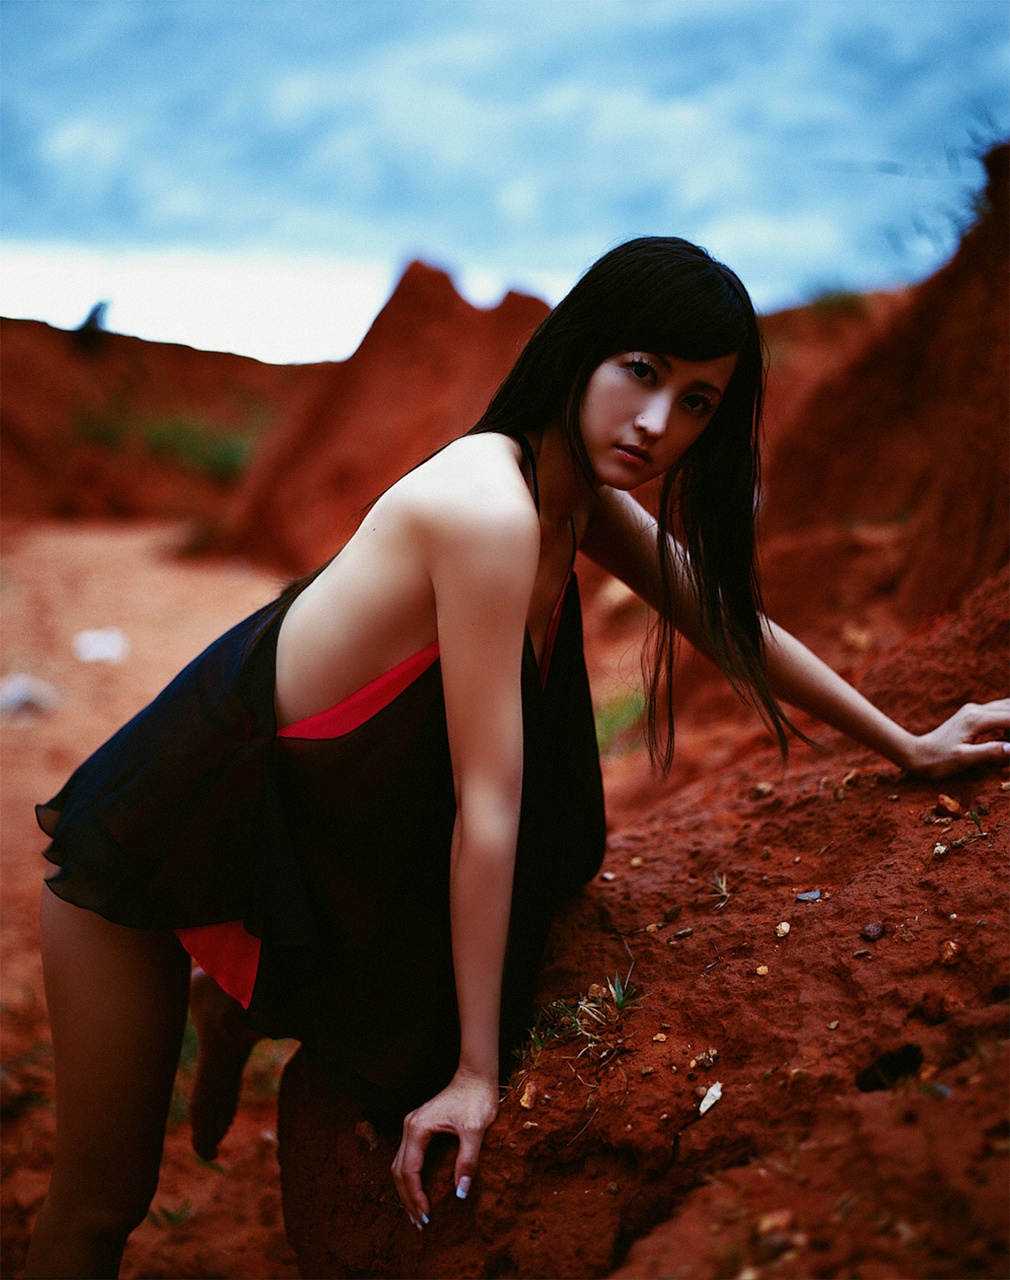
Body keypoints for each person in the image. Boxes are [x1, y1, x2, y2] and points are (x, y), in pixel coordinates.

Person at [25, 237, 1009, 1278]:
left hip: (307, 815)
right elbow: (484, 808)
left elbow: (725, 619)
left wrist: (906, 739)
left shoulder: (572, 496)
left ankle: (232, 997)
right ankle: (224, 984)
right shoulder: (488, 511)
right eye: (640, 370)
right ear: (580, 347)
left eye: (696, 403)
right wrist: (473, 1075)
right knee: (102, 1204)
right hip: (157, 832)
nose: (656, 423)